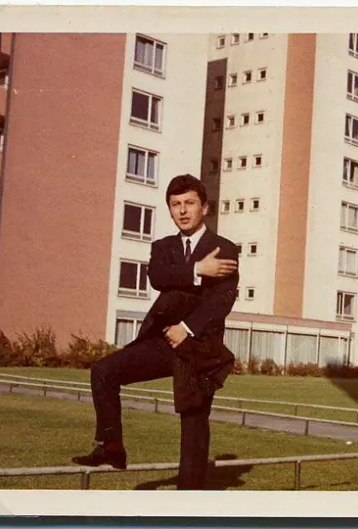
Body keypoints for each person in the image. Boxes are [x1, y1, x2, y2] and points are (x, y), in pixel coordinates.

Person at [72, 174, 239, 490]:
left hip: (199, 348)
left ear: (204, 207)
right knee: (104, 371)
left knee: (193, 423)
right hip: (162, 343)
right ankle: (112, 447)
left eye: (189, 203)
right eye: (175, 205)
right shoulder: (163, 248)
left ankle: (187, 500)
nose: (183, 210)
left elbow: (222, 300)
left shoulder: (224, 248)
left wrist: (187, 329)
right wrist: (197, 270)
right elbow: (158, 277)